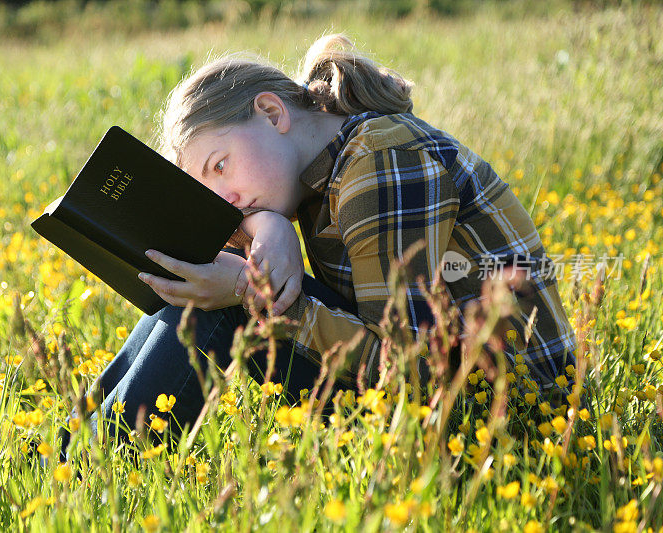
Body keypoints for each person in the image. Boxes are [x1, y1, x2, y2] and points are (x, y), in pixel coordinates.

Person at [64, 33, 578, 459]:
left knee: (209, 308)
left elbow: (410, 366)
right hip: (454, 395)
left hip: (512, 417)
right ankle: (63, 454)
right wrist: (268, 226)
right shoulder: (314, 176)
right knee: (191, 289)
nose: (228, 201)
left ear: (271, 112)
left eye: (220, 167)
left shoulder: (378, 162)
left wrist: (246, 289)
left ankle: (91, 471)